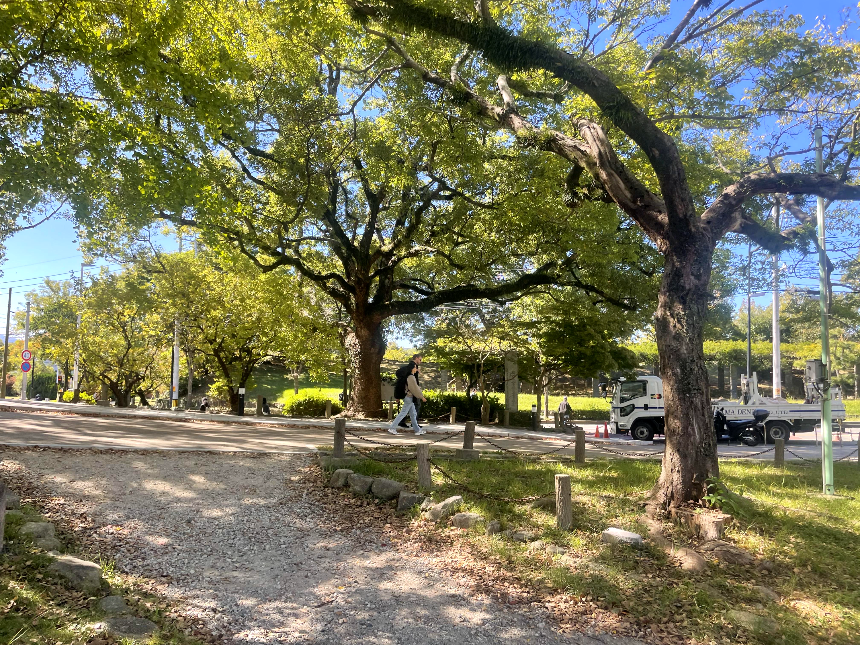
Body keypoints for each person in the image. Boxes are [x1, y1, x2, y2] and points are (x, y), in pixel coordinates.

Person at [388, 362, 426, 435]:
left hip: (409, 398)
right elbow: (414, 388)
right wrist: (421, 397)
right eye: (415, 367)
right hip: (408, 397)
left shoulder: (409, 376)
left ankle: (417, 430)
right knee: (403, 413)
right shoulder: (411, 377)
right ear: (412, 368)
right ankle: (392, 428)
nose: (416, 369)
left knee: (413, 414)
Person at [399, 353, 424, 428]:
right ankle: (412, 423)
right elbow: (411, 378)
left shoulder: (414, 366)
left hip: (411, 390)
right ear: (416, 358)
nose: (420, 361)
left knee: (409, 407)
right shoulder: (412, 365)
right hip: (411, 390)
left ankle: (404, 421)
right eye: (420, 359)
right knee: (416, 405)